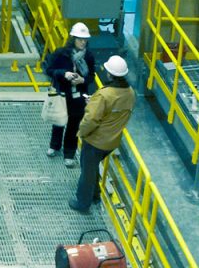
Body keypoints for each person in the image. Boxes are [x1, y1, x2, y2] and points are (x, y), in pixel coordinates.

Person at [72, 53, 134, 214]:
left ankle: (82, 203)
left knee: (87, 172)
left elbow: (91, 119)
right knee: (92, 169)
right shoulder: (130, 92)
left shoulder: (104, 94)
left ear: (109, 74)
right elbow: (115, 109)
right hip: (112, 142)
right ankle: (95, 195)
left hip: (96, 141)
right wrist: (95, 101)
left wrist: (81, 133)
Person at [43, 21, 97, 164]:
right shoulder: (61, 54)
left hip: (78, 98)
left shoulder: (89, 57)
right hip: (62, 94)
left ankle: (69, 153)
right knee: (59, 121)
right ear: (73, 39)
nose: (83, 42)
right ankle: (54, 146)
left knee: (74, 126)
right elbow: (49, 70)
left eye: (85, 40)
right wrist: (64, 73)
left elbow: (91, 76)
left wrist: (82, 80)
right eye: (80, 39)